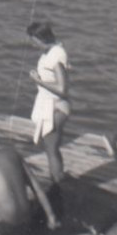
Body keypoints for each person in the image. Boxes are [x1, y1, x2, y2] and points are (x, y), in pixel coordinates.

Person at [27, 21, 70, 181]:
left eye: (34, 40)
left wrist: (38, 81)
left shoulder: (57, 55)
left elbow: (62, 89)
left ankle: (57, 183)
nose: (33, 45)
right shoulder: (51, 52)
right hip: (50, 105)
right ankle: (57, 180)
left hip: (56, 107)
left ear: (41, 38)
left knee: (51, 149)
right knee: (51, 148)